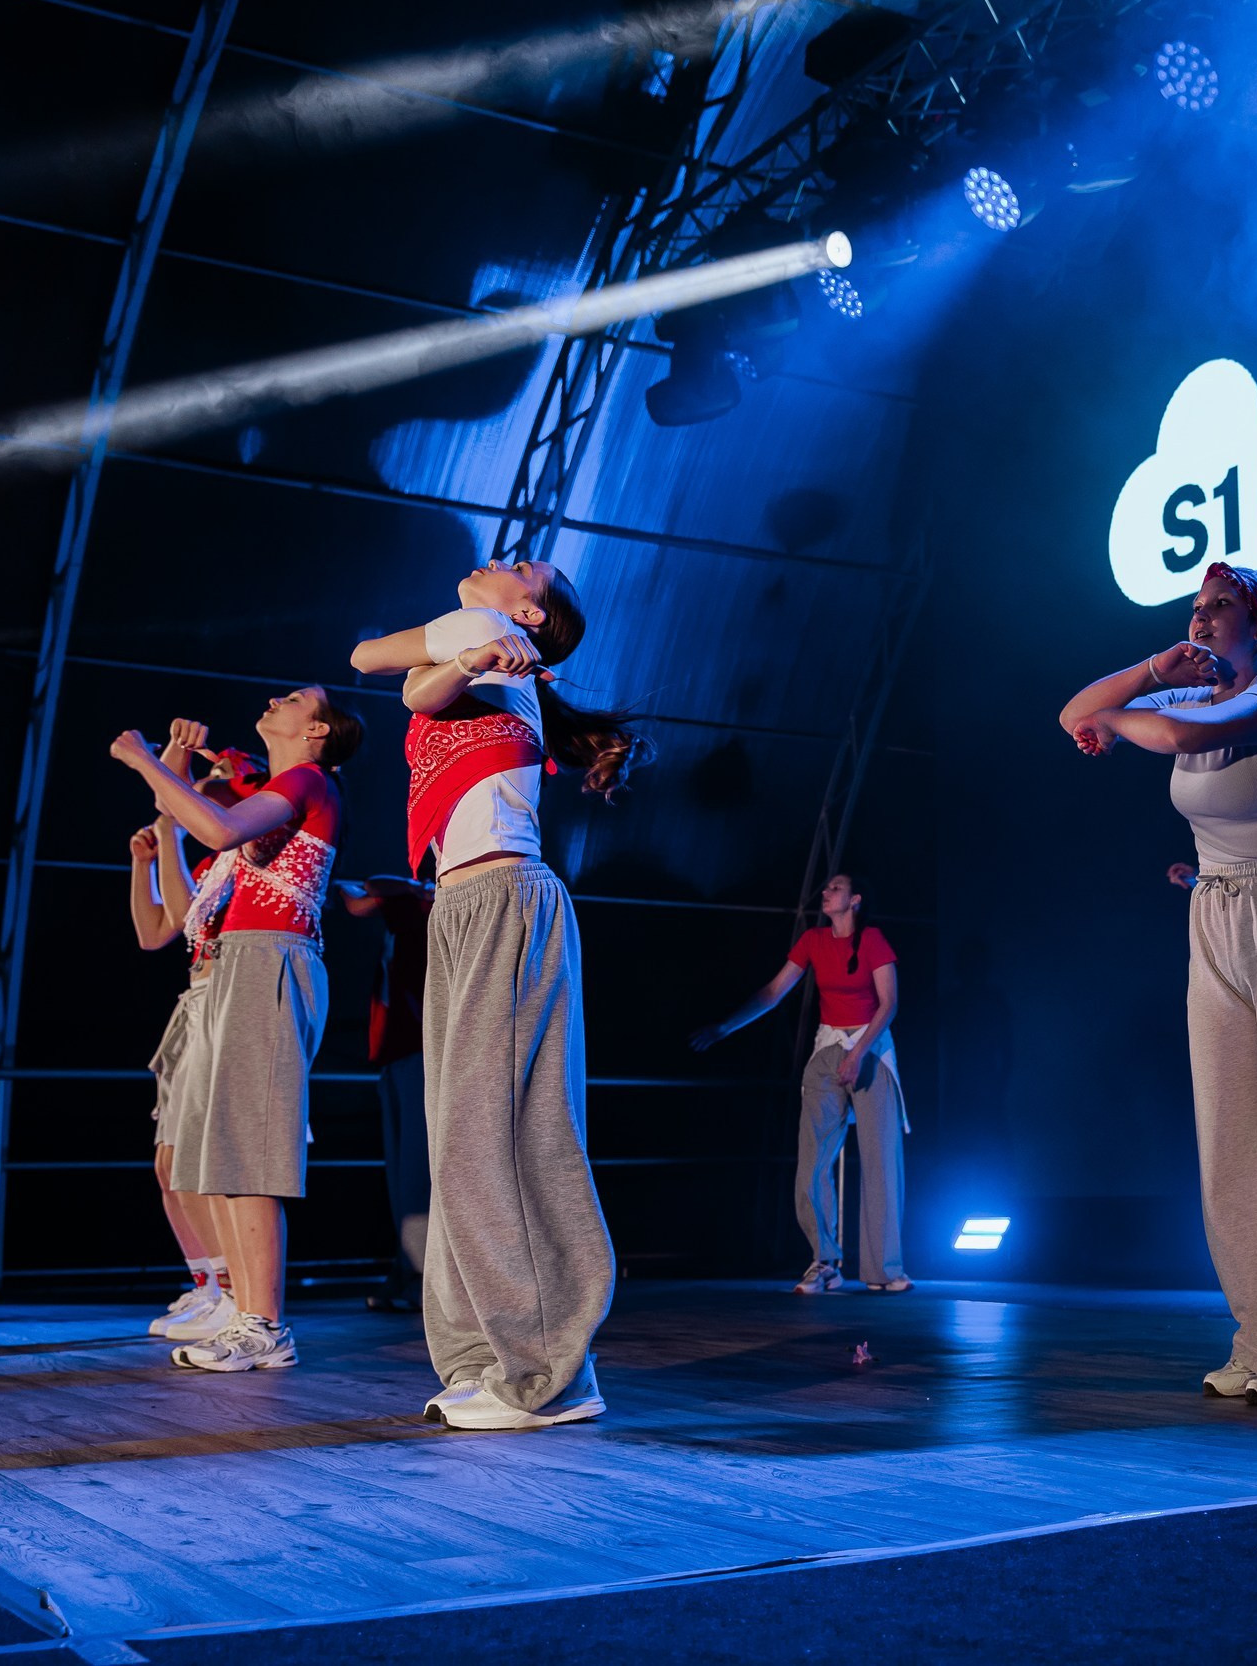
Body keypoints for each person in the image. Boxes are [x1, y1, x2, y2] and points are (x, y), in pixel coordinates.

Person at [1060, 562, 1257, 1405]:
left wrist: (1127, 721)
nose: (1200, 619)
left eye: (1218, 607)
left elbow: (1172, 741)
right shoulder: (1185, 695)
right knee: (1229, 1132)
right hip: (1215, 907)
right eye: (1194, 608)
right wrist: (1154, 674)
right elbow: (1073, 715)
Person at [349, 557, 645, 1430]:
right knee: (461, 1143)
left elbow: (407, 694)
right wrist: (466, 664)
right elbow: (372, 658)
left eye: (525, 569)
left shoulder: (494, 633)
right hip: (463, 905)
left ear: (528, 609)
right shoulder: (474, 637)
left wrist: (476, 662)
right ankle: (487, 1357)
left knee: (504, 1137)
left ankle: (553, 1376)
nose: (502, 558)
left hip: (506, 895)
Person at [111, 689, 361, 1373]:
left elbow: (214, 829)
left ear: (315, 729)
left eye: (296, 698)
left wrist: (142, 759)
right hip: (238, 966)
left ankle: (264, 1323)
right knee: (225, 1154)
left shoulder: (308, 780)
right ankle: (245, 1313)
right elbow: (193, 850)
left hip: (269, 961)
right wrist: (167, 775)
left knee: (248, 1152)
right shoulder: (280, 793)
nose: (276, 698)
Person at [691, 873, 911, 1294]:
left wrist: (858, 1054)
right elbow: (773, 991)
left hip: (870, 1049)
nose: (825, 893)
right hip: (828, 1050)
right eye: (825, 887)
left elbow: (889, 1004)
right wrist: (725, 1027)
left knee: (881, 1162)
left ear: (856, 900)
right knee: (812, 1163)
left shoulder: (873, 940)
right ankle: (824, 1261)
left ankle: (884, 1270)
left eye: (835, 888)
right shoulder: (813, 940)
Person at [125, 723, 262, 1343]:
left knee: (196, 1159)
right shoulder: (213, 863)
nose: (196, 794)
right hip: (199, 996)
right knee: (168, 1162)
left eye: (210, 787)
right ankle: (209, 1283)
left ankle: (231, 1291)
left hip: (229, 992)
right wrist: (147, 859)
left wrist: (170, 805)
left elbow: (172, 920)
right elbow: (157, 932)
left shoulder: (251, 847)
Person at [332, 873, 435, 1313]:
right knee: (401, 1177)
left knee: (417, 1175)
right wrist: (409, 890)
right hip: (394, 1053)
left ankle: (424, 1281)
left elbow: (360, 898)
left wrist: (413, 894)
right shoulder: (408, 905)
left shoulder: (436, 910)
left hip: (425, 1053)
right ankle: (407, 1270)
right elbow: (351, 892)